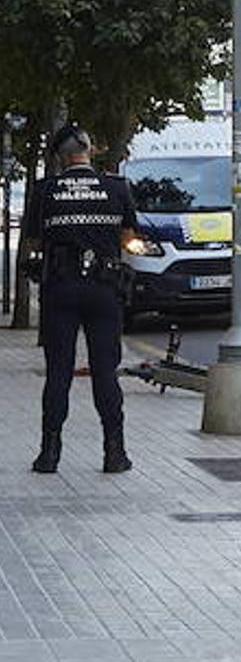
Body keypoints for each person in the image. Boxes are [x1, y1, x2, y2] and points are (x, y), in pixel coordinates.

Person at [22, 124, 139, 474]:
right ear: (89, 150)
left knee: (59, 371)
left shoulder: (46, 190)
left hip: (61, 288)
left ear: (60, 156)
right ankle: (114, 452)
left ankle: (49, 453)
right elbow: (129, 236)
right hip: (103, 289)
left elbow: (34, 242)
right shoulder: (116, 187)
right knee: (105, 370)